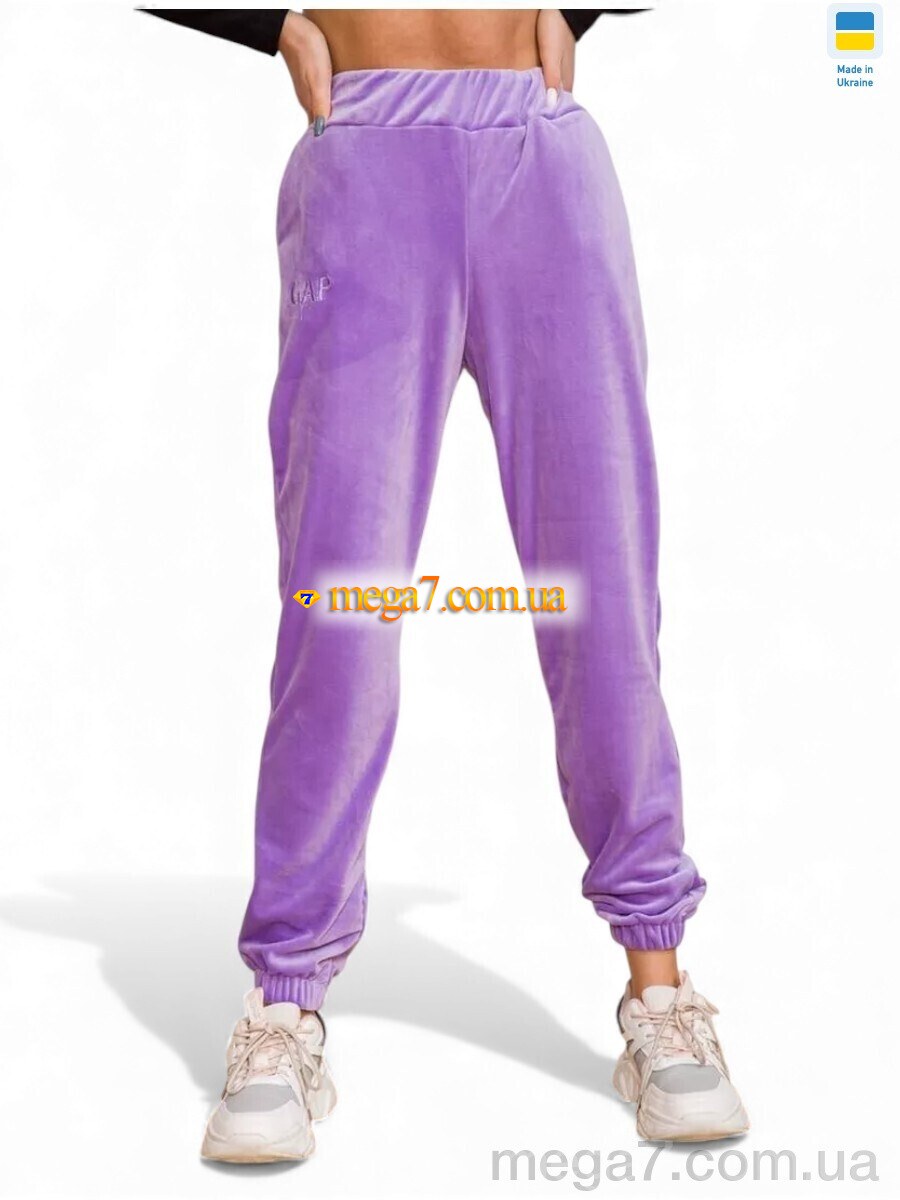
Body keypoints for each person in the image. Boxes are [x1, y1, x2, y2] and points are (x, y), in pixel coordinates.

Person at [144, 7, 749, 1162]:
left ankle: (661, 988)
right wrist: (268, 23)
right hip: (365, 157)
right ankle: (284, 1002)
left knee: (603, 593)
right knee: (341, 608)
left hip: (540, 158)